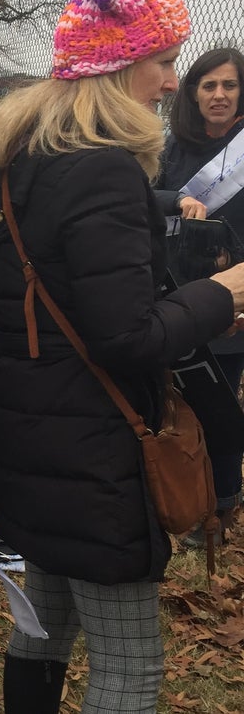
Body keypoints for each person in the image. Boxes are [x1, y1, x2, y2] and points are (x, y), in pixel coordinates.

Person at [0, 0, 244, 714]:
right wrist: (221, 294)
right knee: (129, 666)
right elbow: (126, 336)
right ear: (117, 64)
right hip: (95, 449)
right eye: (162, 61)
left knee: (42, 623)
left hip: (31, 427)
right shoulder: (105, 166)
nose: (172, 82)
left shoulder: (28, 152)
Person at [156, 48, 244, 545]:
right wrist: (176, 199)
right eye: (208, 85)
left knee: (217, 403)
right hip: (176, 293)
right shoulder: (174, 148)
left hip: (234, 299)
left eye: (229, 86)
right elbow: (143, 197)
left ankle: (221, 505)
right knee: (173, 401)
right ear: (193, 92)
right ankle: (180, 493)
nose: (218, 95)